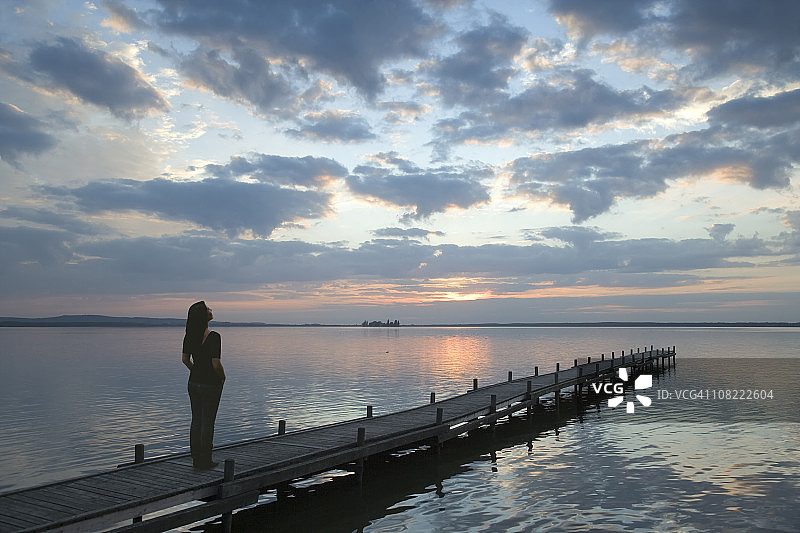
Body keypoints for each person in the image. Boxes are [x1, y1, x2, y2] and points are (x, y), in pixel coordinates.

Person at [181, 301, 226, 470]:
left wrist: (196, 371)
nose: (210, 310)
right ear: (203, 316)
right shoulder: (214, 337)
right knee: (207, 422)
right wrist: (222, 377)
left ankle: (196, 459)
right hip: (211, 384)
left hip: (193, 383)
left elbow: (185, 360)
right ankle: (205, 460)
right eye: (207, 309)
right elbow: (216, 364)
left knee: (196, 421)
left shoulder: (189, 336)